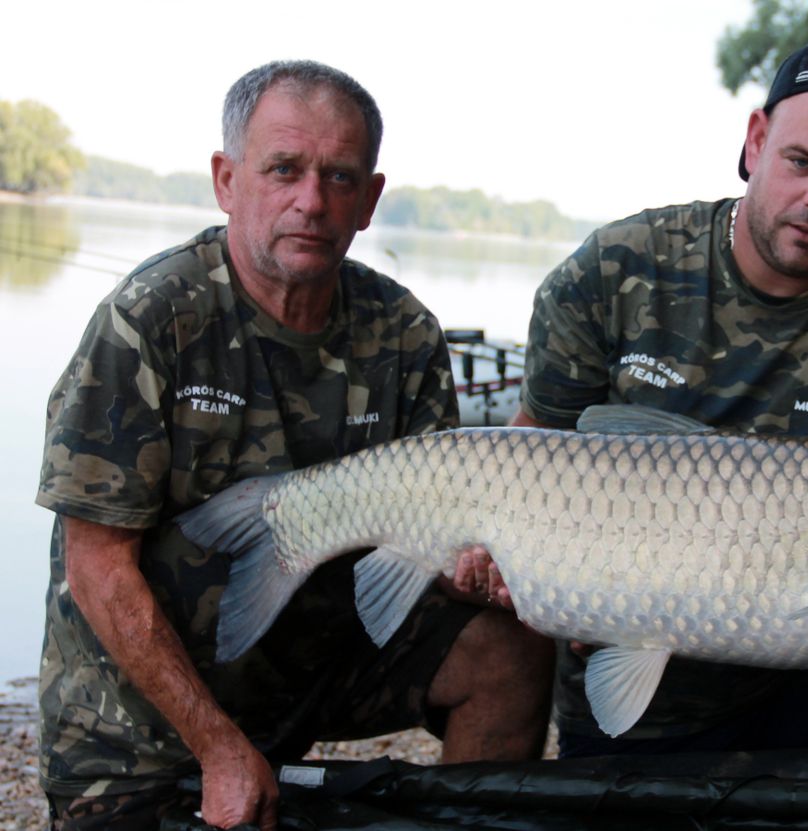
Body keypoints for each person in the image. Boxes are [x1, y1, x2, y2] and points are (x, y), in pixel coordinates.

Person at [455, 36, 808, 757]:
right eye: (801, 162)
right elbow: (526, 452)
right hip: (639, 685)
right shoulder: (613, 271)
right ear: (757, 140)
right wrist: (503, 559)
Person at [35, 60, 553, 831]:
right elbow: (97, 567)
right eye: (284, 170)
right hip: (134, 722)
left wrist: (474, 569)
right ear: (227, 179)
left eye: (340, 177)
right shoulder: (150, 320)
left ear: (370, 199)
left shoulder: (404, 333)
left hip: (311, 672)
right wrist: (216, 747)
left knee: (507, 649)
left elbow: (427, 558)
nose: (311, 201)